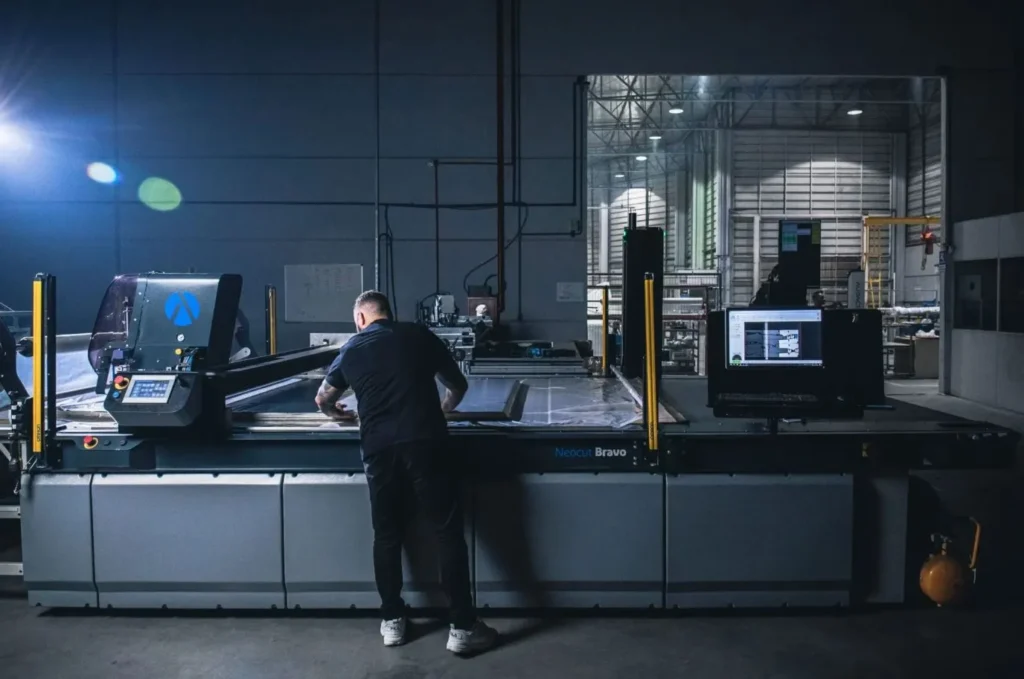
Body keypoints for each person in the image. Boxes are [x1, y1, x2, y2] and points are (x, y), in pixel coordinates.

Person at [314, 290, 498, 654]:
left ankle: (392, 621)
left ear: (361, 318)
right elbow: (458, 385)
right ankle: (462, 628)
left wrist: (339, 415)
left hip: (379, 449)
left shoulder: (352, 348)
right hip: (426, 443)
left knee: (386, 534)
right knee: (446, 533)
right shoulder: (418, 335)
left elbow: (323, 399)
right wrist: (443, 410)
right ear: (388, 313)